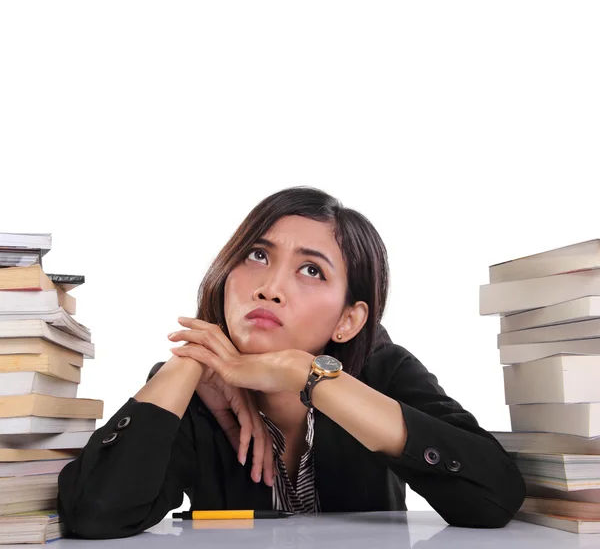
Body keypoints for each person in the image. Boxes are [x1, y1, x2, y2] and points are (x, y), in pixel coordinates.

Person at [56, 186, 526, 539]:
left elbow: (494, 496)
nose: (270, 287)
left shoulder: (383, 371)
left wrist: (307, 374)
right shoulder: (189, 394)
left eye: (311, 270)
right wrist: (190, 361)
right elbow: (95, 515)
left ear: (348, 320)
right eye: (257, 255)